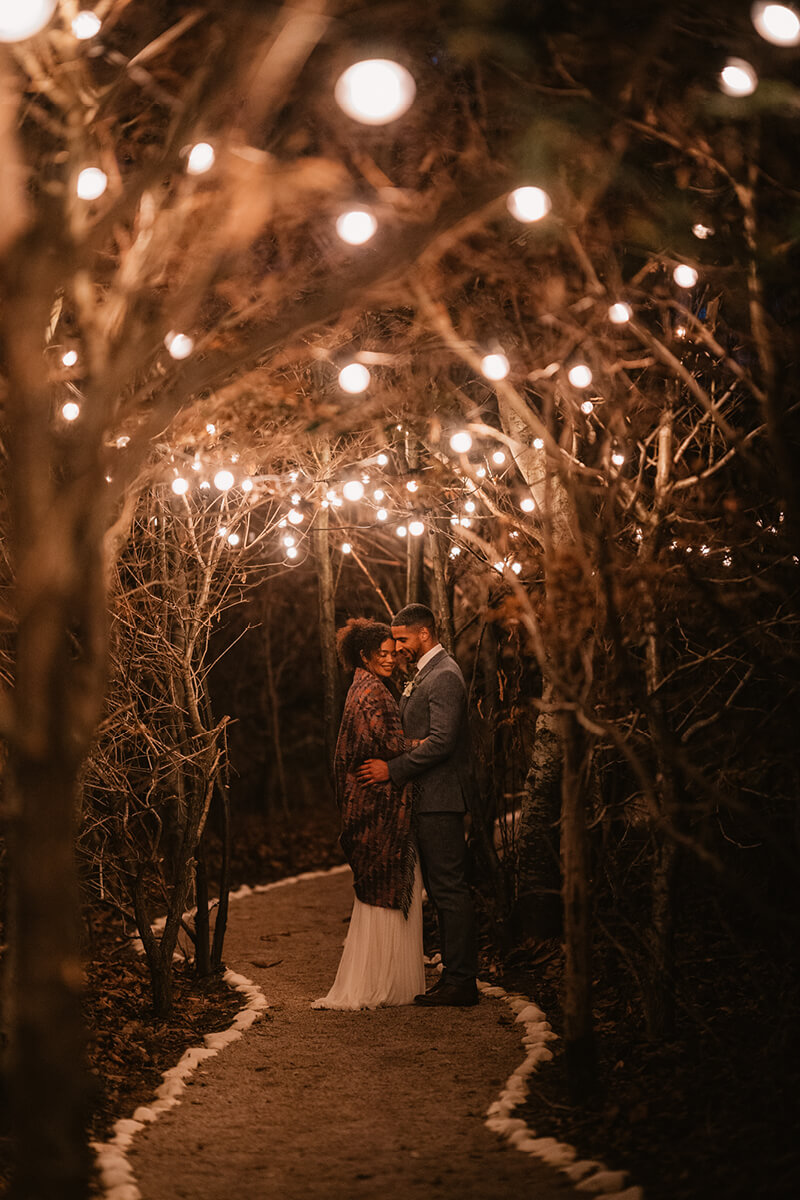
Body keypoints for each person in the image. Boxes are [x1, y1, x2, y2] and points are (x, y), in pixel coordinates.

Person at [357, 603, 479, 1007]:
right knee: (443, 891)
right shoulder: (426, 673)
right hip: (426, 798)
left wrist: (392, 769)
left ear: (424, 634)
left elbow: (442, 742)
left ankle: (462, 982)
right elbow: (421, 734)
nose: (398, 647)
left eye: (404, 640)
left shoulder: (444, 675)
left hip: (440, 799)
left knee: (449, 889)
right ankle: (454, 977)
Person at [313, 618, 425, 1010]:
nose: (391, 659)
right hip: (378, 806)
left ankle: (384, 977)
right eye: (383, 654)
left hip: (369, 800)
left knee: (380, 891)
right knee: (388, 885)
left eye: (394, 653)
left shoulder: (362, 686)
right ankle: (385, 981)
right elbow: (390, 742)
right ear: (364, 655)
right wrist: (423, 741)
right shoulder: (372, 691)